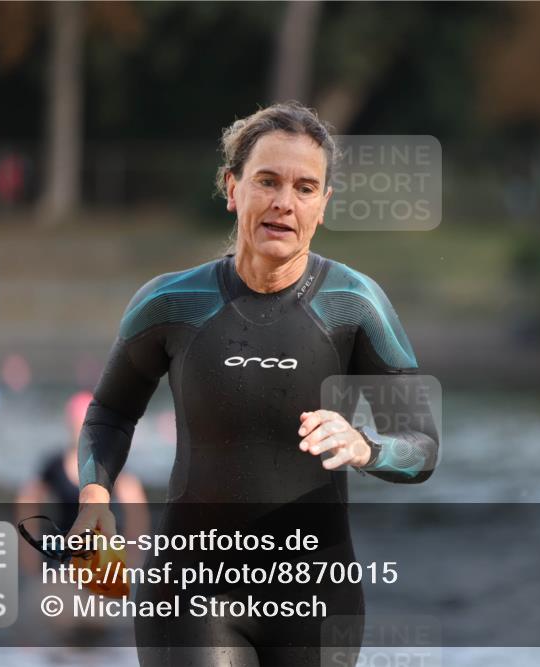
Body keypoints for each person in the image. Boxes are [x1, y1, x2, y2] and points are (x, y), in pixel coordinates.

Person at [70, 101, 439, 667]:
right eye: (267, 181)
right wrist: (95, 498)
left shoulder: (355, 305)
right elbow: (110, 414)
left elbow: (422, 446)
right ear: (232, 187)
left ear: (323, 205)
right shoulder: (171, 303)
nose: (284, 203)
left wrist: (365, 446)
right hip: (190, 595)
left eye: (305, 187)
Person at [17, 390, 149, 571]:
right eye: (76, 425)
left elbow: (136, 510)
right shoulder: (55, 465)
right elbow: (27, 500)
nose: (79, 433)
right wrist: (28, 552)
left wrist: (132, 555)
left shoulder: (110, 464)